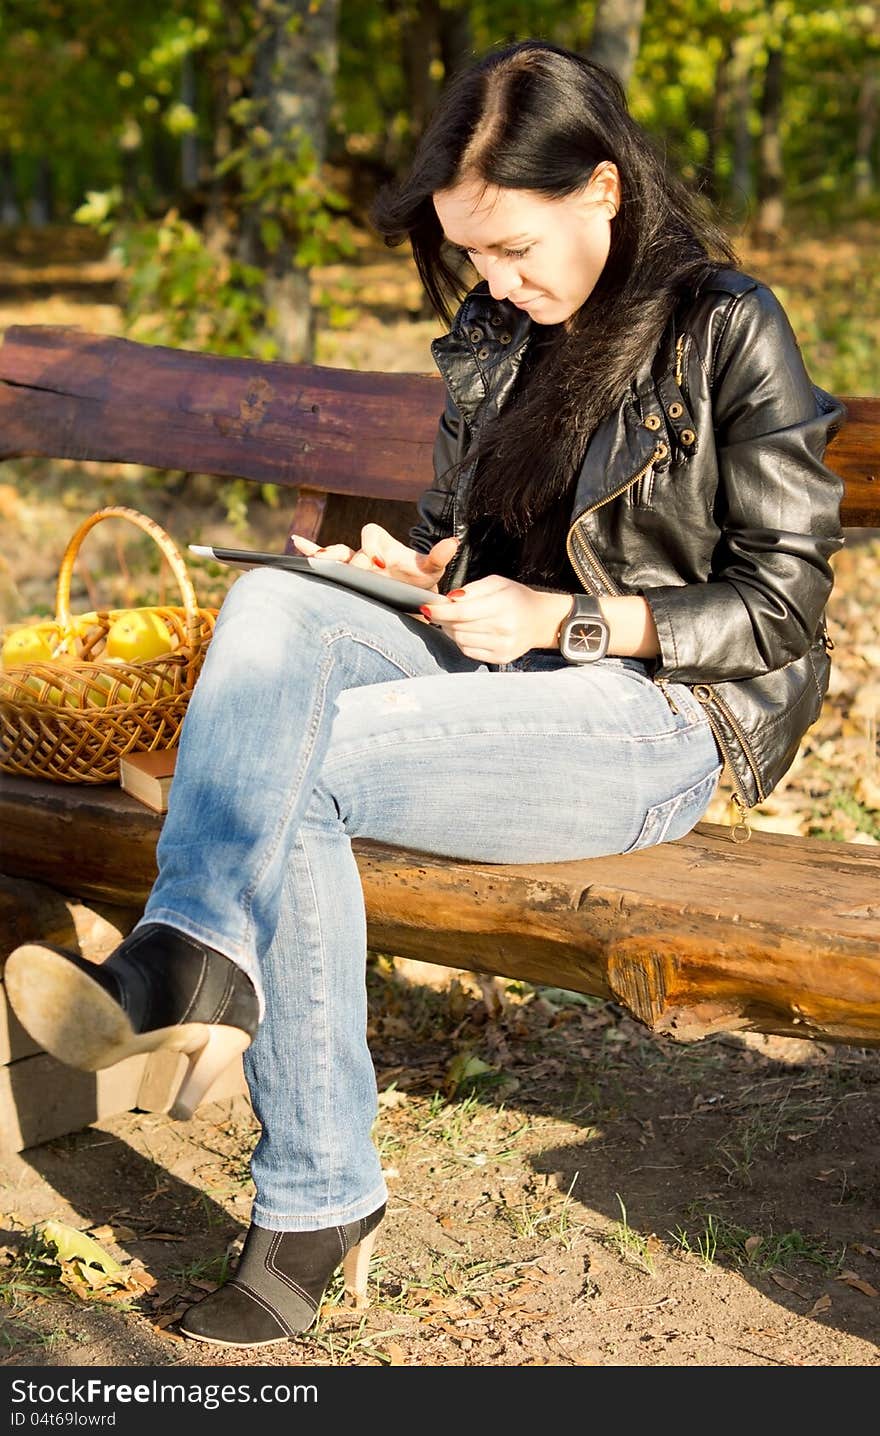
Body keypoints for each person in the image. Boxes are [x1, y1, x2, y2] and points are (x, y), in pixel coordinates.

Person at [5, 38, 845, 1350]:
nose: (496, 283)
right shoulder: (503, 335)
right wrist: (421, 564)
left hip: (665, 714)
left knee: (306, 765)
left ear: (605, 191)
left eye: (513, 248)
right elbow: (494, 539)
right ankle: (190, 954)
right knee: (281, 603)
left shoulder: (727, 327)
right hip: (501, 666)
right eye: (474, 259)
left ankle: (307, 1190)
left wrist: (570, 618)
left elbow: (784, 603)